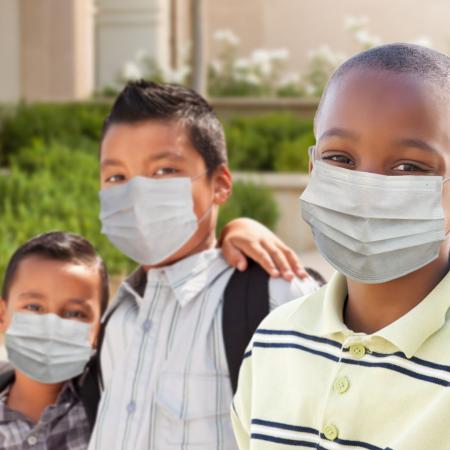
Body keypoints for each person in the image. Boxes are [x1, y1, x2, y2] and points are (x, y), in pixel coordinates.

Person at [232, 43, 450, 450]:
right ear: (312, 169)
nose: (365, 191)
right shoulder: (272, 341)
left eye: (408, 166)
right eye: (341, 159)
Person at [88, 81, 322, 450]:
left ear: (220, 184)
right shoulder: (117, 319)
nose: (136, 193)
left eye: (164, 171)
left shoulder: (275, 297)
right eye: (117, 177)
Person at [0, 231, 109, 449]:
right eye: (34, 307)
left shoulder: (110, 412)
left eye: (75, 314)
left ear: (99, 329)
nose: (51, 325)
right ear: (3, 316)